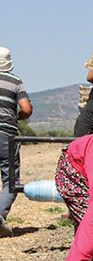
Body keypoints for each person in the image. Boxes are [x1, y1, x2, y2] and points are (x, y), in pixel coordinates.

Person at [0, 47, 32, 237]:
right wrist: (17, 116)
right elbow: (26, 108)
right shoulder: (15, 82)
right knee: (11, 180)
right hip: (6, 133)